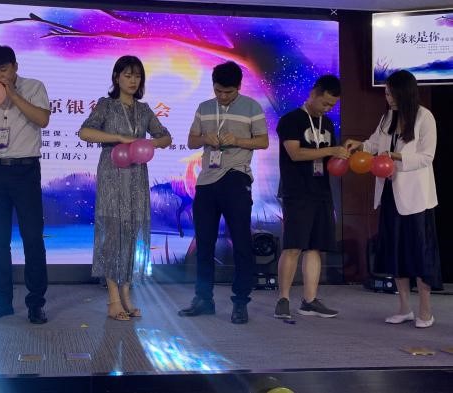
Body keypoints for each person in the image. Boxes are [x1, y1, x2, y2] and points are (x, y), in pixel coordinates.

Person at [345, 70, 440, 328]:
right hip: (390, 193)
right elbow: (375, 144)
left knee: (419, 253)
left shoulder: (424, 117)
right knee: (396, 250)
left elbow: (427, 157)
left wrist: (396, 157)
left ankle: (425, 311)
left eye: (391, 93)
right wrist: (360, 145)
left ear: (404, 93)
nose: (388, 98)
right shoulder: (388, 117)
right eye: (386, 93)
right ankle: (404, 308)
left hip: (416, 198)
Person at [80, 55, 171, 321]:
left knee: (133, 234)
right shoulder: (106, 105)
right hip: (112, 175)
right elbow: (85, 132)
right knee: (112, 234)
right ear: (116, 77)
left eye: (137, 76)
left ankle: (127, 295)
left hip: (137, 177)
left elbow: (165, 137)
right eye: (128, 75)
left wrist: (148, 144)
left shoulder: (144, 110)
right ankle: (113, 300)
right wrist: (119, 138)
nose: (133, 81)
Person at [178, 61, 269, 324]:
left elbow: (263, 141)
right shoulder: (204, 107)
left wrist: (238, 141)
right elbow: (191, 141)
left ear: (239, 87)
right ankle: (203, 299)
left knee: (241, 242)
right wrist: (205, 139)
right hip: (207, 181)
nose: (222, 96)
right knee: (204, 243)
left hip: (237, 178)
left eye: (228, 92)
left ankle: (240, 302)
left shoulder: (252, 107)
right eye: (218, 91)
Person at [0, 45, 51, 324]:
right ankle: (2, 301)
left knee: (32, 238)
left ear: (15, 67)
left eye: (3, 70)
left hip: (26, 171)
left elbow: (42, 119)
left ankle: (35, 303)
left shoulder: (34, 86)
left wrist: (13, 94)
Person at [274, 75, 349, 320]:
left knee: (315, 246)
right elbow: (295, 153)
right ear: (314, 93)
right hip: (297, 191)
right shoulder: (290, 120)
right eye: (325, 103)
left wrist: (343, 154)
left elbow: (330, 158)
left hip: (322, 191)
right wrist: (331, 150)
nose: (327, 109)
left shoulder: (327, 123)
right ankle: (283, 299)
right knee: (293, 246)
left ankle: (309, 300)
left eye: (332, 105)